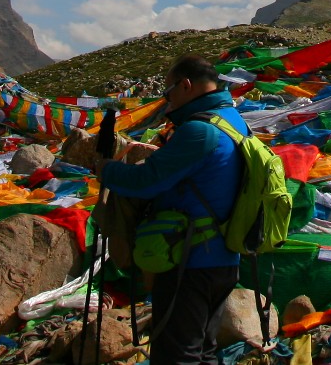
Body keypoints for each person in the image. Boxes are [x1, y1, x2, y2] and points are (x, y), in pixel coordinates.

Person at [98, 55, 246, 365]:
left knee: (177, 354)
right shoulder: (234, 121)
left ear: (186, 85)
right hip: (224, 256)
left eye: (168, 93)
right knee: (204, 348)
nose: (166, 102)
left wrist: (107, 170)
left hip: (189, 259)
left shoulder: (199, 130)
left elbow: (146, 182)